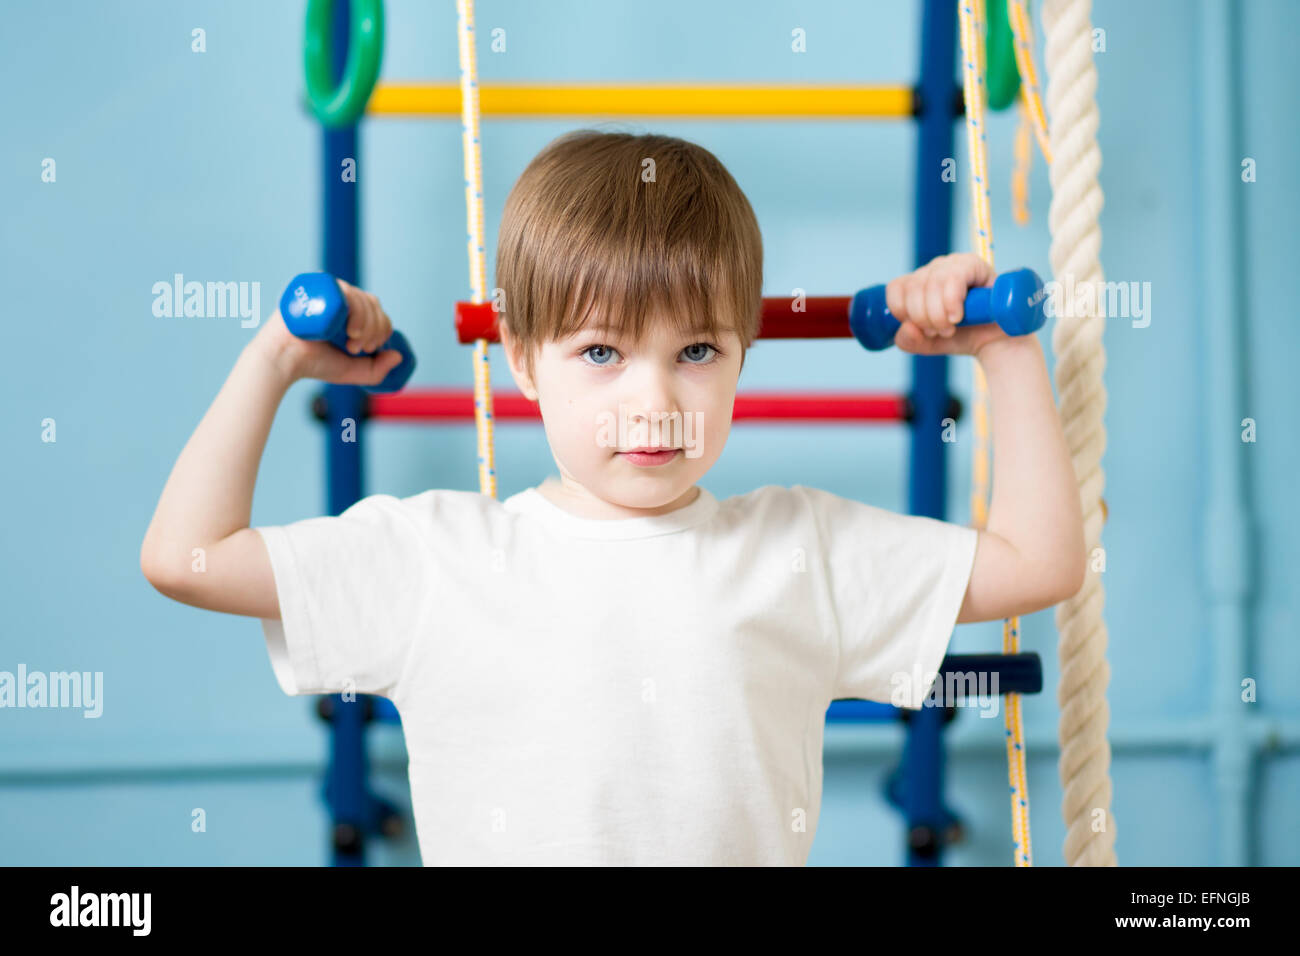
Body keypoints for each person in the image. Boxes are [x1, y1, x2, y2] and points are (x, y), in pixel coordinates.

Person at [140, 130, 1085, 865]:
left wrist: (1001, 348)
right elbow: (186, 558)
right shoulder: (436, 559)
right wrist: (270, 361)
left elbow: (1038, 562)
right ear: (522, 359)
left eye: (697, 353)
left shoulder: (801, 548)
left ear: (742, 358)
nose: (655, 402)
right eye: (601, 353)